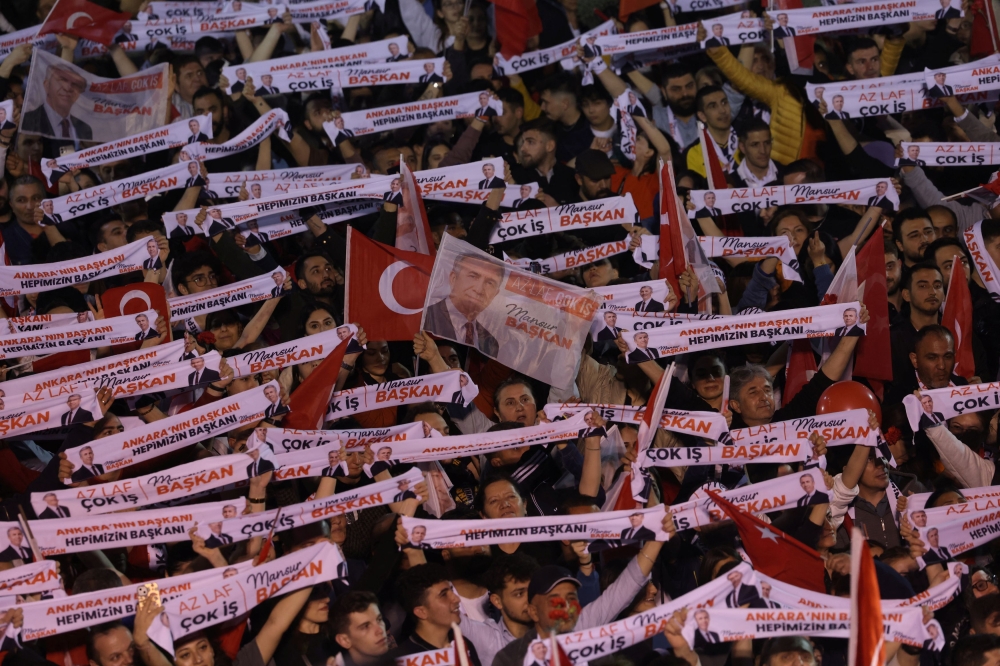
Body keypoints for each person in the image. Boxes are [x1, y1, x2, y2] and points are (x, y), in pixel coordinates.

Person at [424, 254, 504, 356]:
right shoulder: (425, 319)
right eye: (473, 276)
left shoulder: (491, 343)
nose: (479, 290)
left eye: (489, 283)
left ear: (495, 294)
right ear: (453, 278)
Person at [21, 64, 93, 142]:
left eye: (75, 84)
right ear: (47, 85)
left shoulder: (85, 127)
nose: (68, 88)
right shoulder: (27, 122)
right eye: (62, 80)